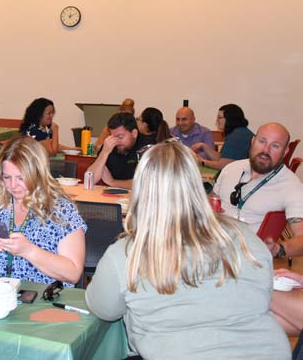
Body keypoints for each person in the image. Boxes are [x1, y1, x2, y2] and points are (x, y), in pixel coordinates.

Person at [85, 140, 289, 360]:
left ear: (140, 190)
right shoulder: (245, 236)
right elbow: (263, 296)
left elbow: (104, 309)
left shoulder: (126, 253)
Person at [0, 137, 86, 285]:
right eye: (7, 177)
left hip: (42, 300)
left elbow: (73, 273)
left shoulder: (60, 209)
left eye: (21, 178)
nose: (13, 185)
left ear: (37, 174)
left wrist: (29, 251)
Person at [212, 123, 303, 259]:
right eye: (262, 141)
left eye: (275, 146)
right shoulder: (231, 169)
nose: (266, 150)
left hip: (249, 259)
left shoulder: (291, 186)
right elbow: (213, 200)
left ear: (285, 152)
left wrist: (278, 249)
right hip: (212, 249)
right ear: (253, 141)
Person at [86, 112, 155, 189]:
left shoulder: (148, 148)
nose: (116, 141)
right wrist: (104, 153)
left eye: (120, 137)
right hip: (111, 196)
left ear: (134, 133)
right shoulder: (109, 145)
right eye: (112, 136)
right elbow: (90, 180)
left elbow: (147, 183)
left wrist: (113, 182)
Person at [192, 104, 253, 170]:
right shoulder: (239, 132)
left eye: (219, 117)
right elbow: (222, 159)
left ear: (230, 119)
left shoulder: (236, 137)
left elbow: (223, 165)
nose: (217, 121)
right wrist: (203, 146)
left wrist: (202, 162)